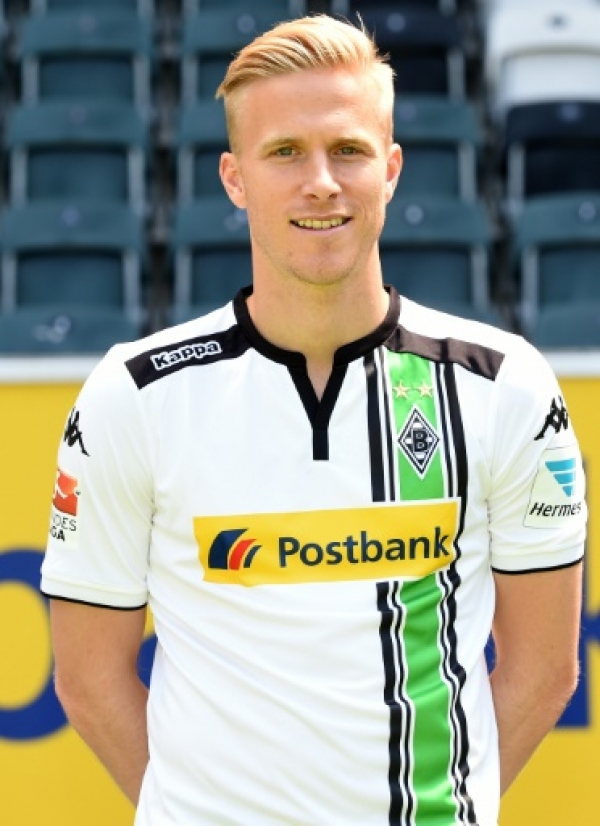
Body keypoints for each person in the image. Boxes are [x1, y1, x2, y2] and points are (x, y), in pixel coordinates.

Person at [41, 14, 586, 826]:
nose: (321, 181)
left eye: (350, 150)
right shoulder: (136, 393)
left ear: (392, 168)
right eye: (286, 152)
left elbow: (545, 670)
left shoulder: (503, 384)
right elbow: (87, 680)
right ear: (234, 178)